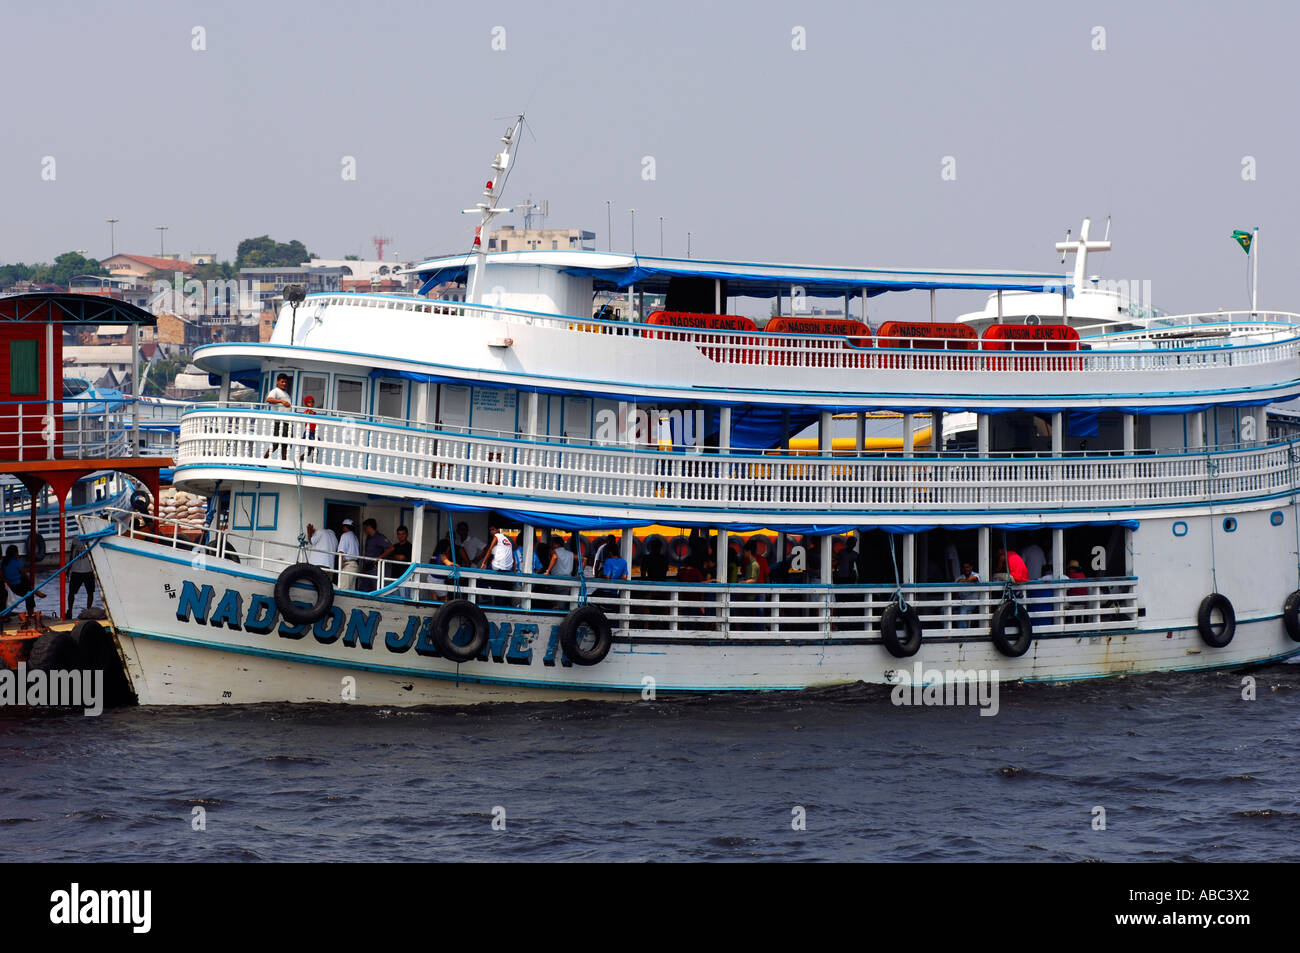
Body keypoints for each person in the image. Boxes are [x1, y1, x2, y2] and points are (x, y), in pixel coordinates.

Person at [263, 373, 293, 460]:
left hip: (287, 422)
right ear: (277, 382)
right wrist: (281, 402)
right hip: (279, 422)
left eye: (285, 382)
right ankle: (263, 460)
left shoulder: (286, 394)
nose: (284, 383)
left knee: (286, 445)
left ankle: (284, 464)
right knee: (276, 443)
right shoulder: (275, 391)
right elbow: (269, 399)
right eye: (282, 381)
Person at [381, 525, 413, 599]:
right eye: (399, 534)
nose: (400, 536)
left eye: (403, 534)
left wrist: (392, 556)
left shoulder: (410, 546)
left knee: (404, 599)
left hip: (405, 578)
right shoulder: (395, 546)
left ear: (407, 535)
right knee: (395, 598)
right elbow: (386, 554)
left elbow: (401, 557)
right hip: (395, 577)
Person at [2, 545, 35, 618]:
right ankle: (30, 614)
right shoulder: (17, 562)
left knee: (29, 590)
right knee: (29, 594)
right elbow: (24, 574)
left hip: (9, 586)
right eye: (17, 553)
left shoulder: (3, 563)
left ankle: (34, 590)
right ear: (15, 553)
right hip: (17, 585)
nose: (19, 554)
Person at [360, 518, 391, 592]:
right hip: (367, 567)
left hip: (375, 568)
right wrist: (363, 568)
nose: (364, 530)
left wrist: (379, 557)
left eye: (365, 528)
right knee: (364, 589)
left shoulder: (379, 537)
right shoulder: (368, 538)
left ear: (369, 527)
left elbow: (391, 548)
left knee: (376, 589)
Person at [68, 536, 96, 614]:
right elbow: (71, 555)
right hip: (76, 570)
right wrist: (68, 570)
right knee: (71, 592)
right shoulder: (75, 539)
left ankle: (88, 610)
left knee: (90, 592)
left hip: (88, 570)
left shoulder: (91, 538)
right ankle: (69, 611)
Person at [954, 560, 980, 628]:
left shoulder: (976, 575)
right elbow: (955, 590)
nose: (966, 569)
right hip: (961, 600)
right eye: (964, 567)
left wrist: (963, 581)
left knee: (963, 610)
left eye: (968, 567)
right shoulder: (960, 577)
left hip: (972, 601)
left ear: (971, 567)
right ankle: (945, 632)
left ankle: (962, 633)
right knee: (944, 609)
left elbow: (974, 579)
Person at [337, 518, 361, 590]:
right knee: (351, 590)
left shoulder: (345, 535)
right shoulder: (355, 537)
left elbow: (341, 551)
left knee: (343, 589)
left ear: (345, 527)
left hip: (348, 565)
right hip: (355, 565)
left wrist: (340, 564)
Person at [299, 394, 318, 461]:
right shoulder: (307, 411)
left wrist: (316, 435)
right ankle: (314, 467)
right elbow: (305, 415)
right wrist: (309, 411)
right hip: (309, 432)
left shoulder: (314, 412)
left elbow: (314, 425)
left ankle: (298, 461)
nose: (311, 403)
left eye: (312, 402)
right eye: (309, 402)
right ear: (306, 404)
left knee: (309, 452)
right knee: (315, 450)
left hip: (313, 432)